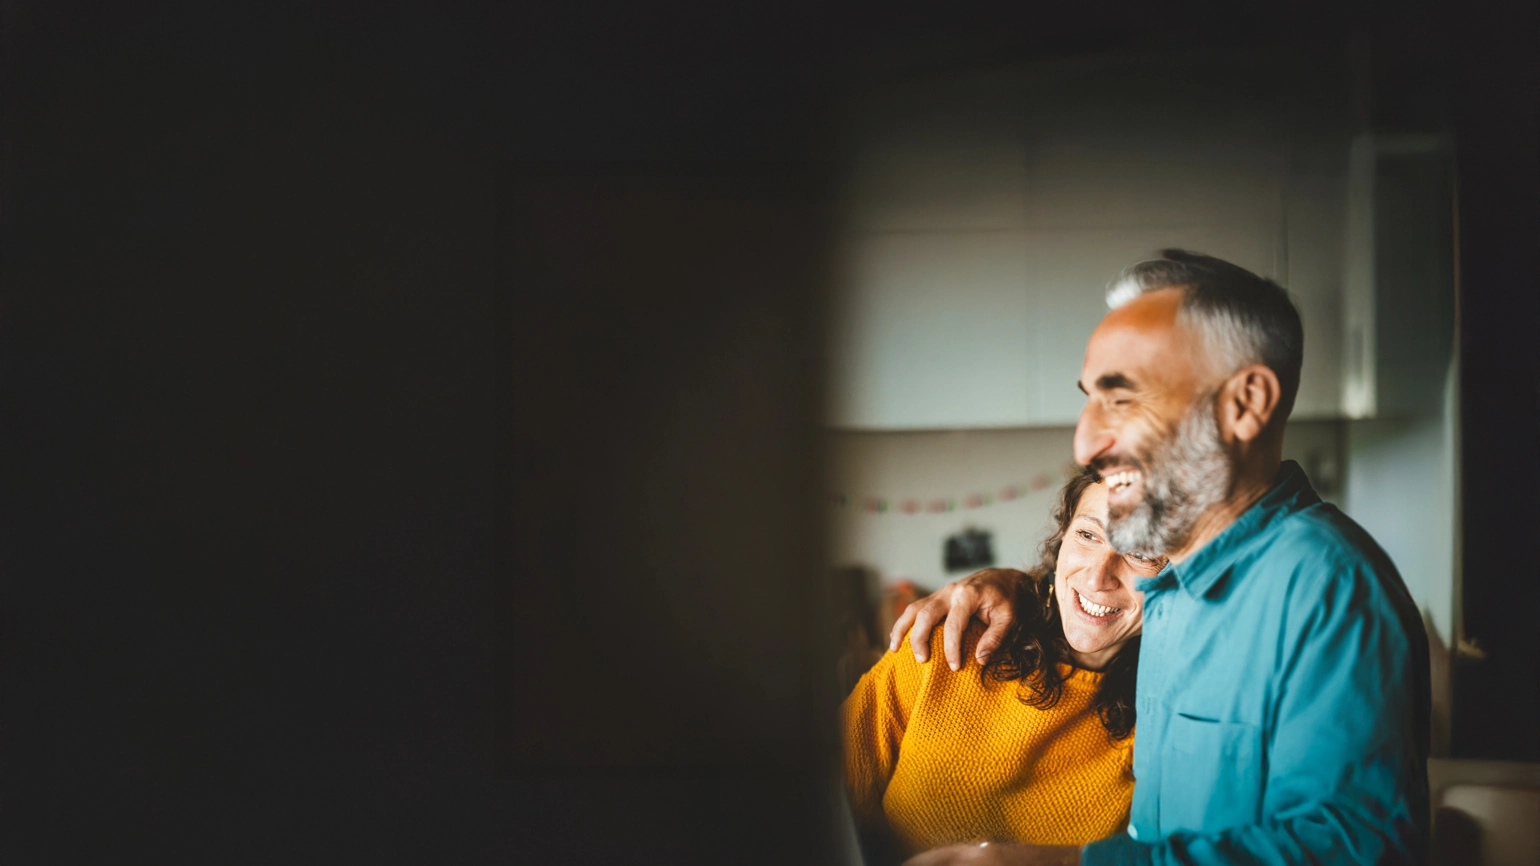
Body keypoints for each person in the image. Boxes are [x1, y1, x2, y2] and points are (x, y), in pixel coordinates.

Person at [891, 251, 1430, 866]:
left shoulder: (1328, 586)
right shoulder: (1174, 585)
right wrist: (1011, 584)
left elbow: (1363, 850)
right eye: (1090, 400)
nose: (1087, 440)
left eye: (1122, 401)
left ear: (1246, 403)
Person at [843, 470, 1165, 865]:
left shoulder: (1168, 719)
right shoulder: (949, 643)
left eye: (1142, 552)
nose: (1099, 576)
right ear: (1062, 538)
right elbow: (811, 811)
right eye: (1088, 535)